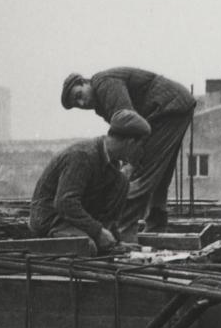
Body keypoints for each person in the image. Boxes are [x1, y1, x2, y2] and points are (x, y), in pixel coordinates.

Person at [61, 66, 195, 233]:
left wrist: (130, 162)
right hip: (174, 105)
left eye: (79, 96)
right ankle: (156, 223)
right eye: (77, 105)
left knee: (141, 173)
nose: (82, 103)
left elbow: (128, 121)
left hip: (167, 107)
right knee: (159, 172)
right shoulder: (101, 100)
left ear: (83, 82)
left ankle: (124, 231)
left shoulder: (103, 83)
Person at [29, 109, 150, 255]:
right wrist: (97, 231)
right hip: (51, 220)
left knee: (122, 182)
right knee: (88, 247)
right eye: (140, 146)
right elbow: (65, 203)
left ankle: (102, 243)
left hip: (74, 220)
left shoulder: (112, 167)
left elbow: (108, 217)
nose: (141, 151)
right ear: (130, 143)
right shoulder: (82, 157)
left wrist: (115, 241)